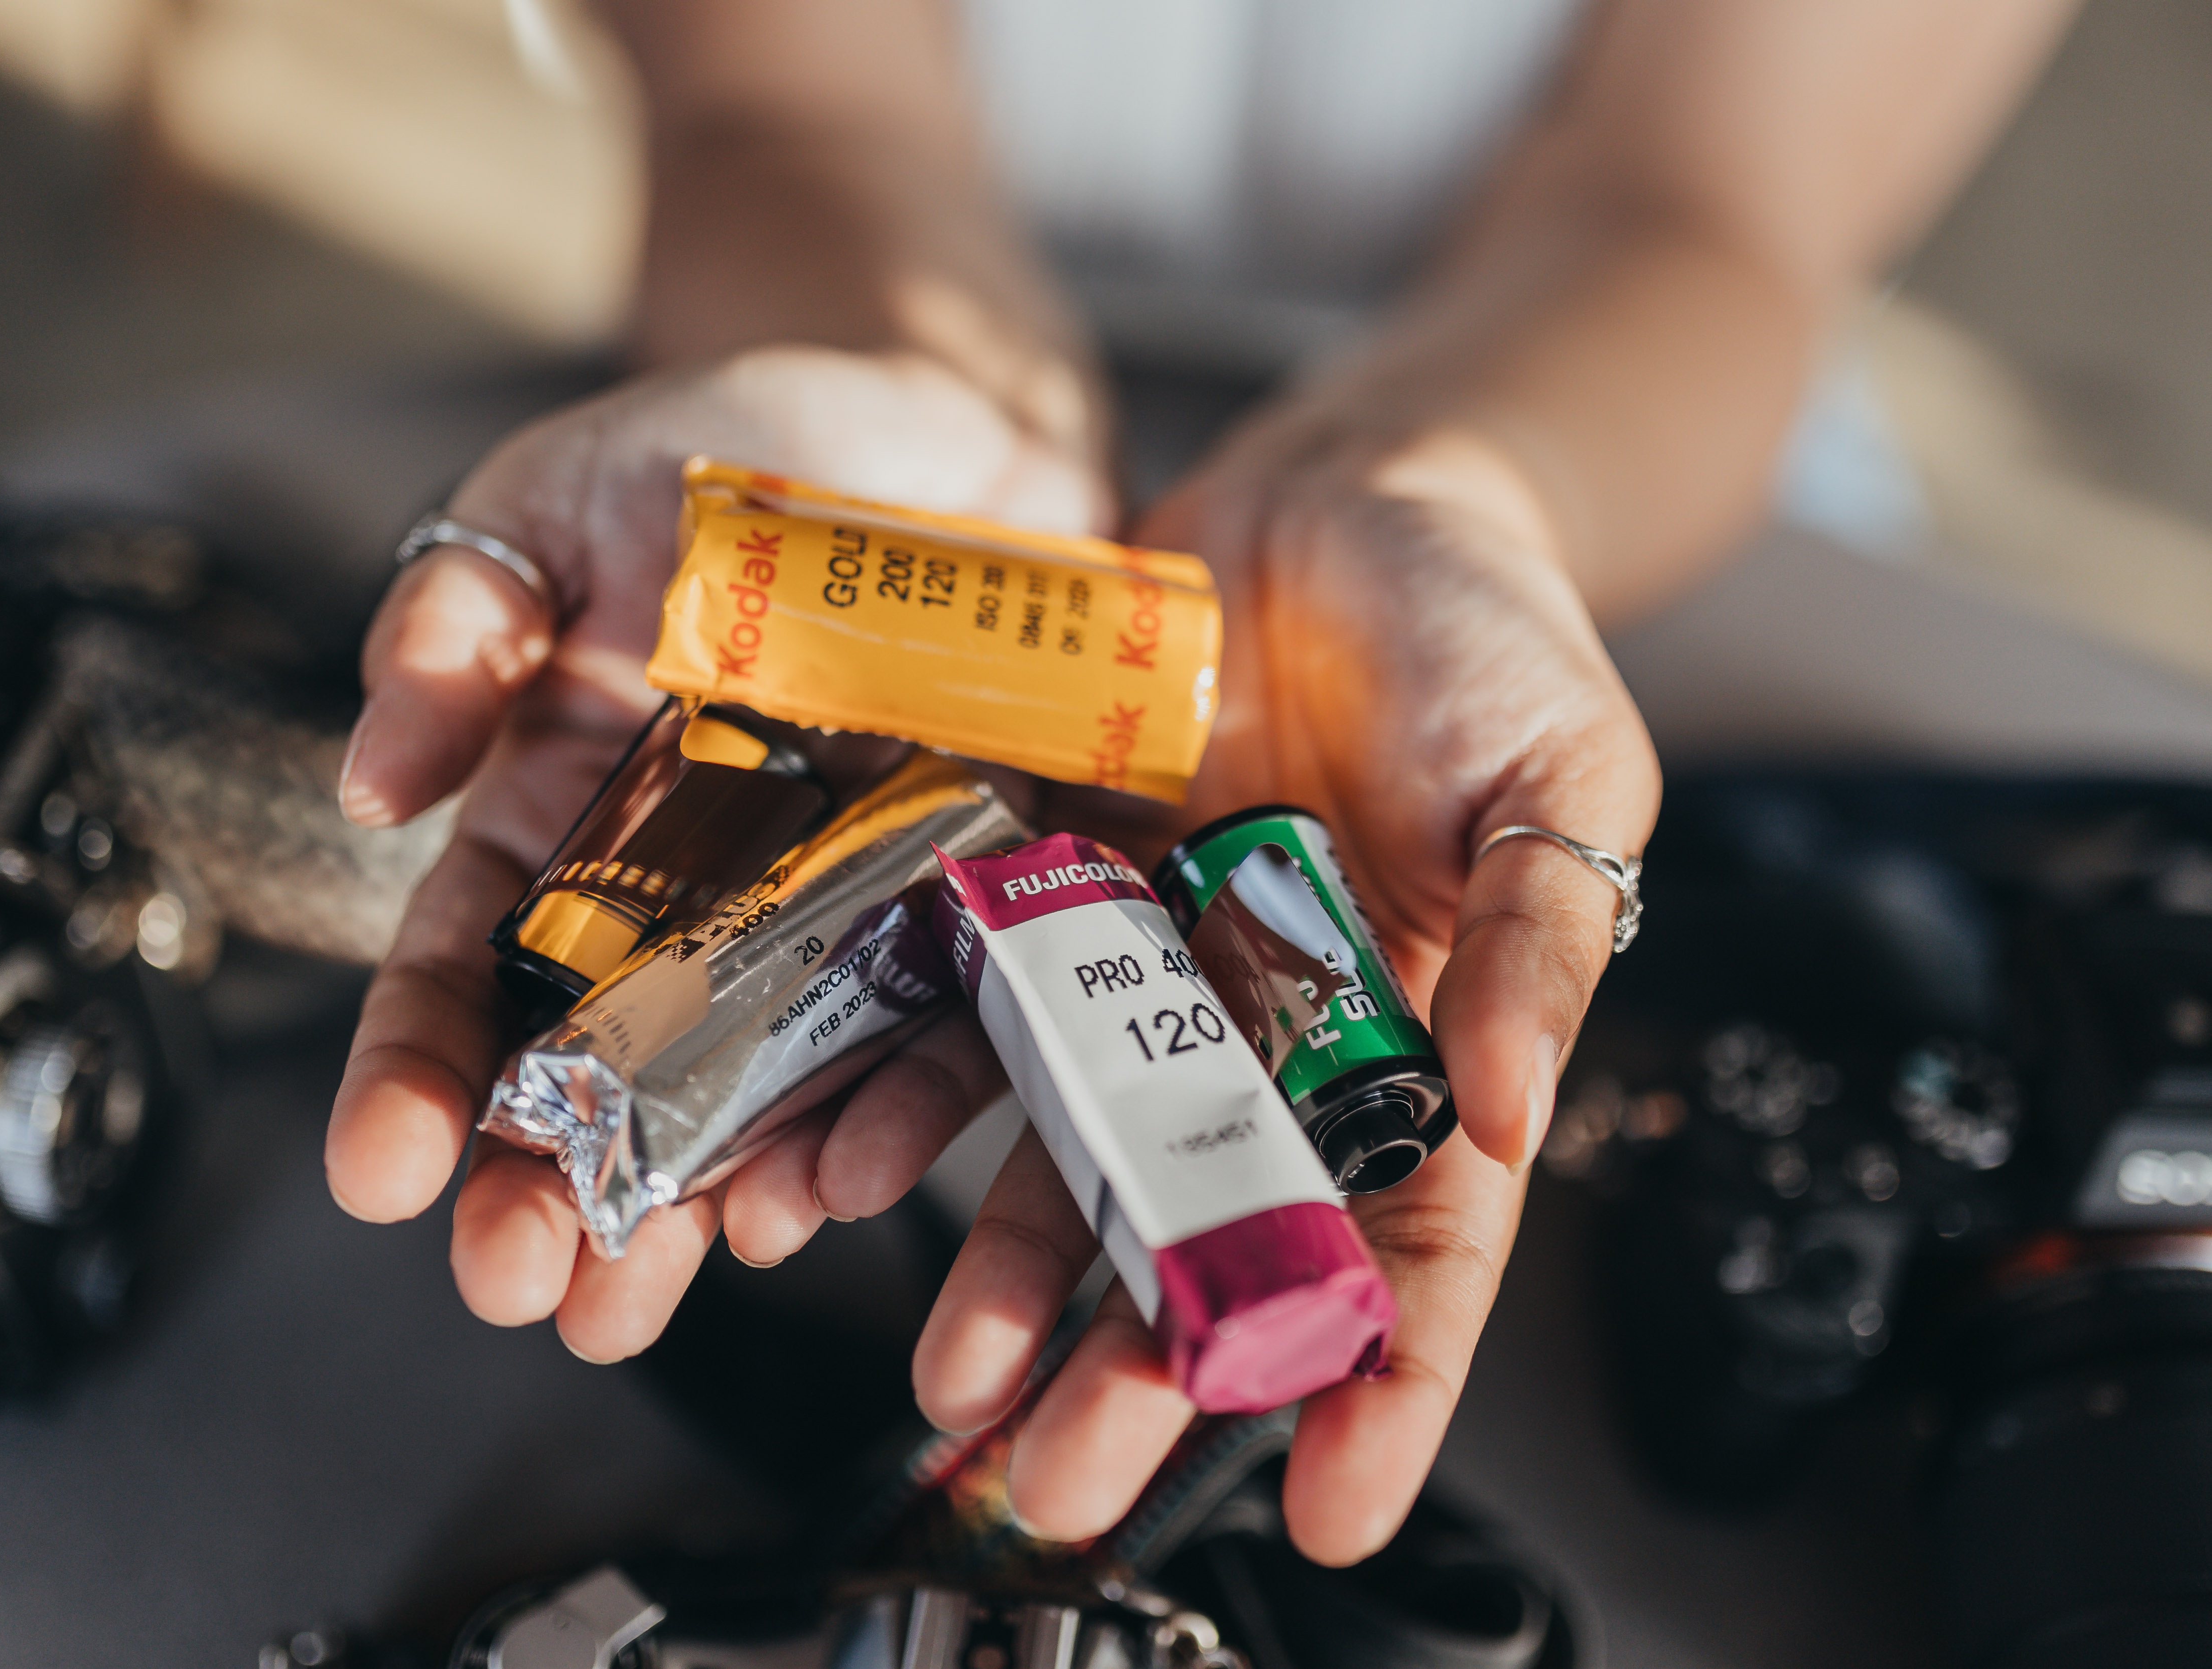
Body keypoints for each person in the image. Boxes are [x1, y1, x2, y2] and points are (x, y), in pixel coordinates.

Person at [321, 0, 2076, 1568]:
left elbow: (1704, 211)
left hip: (1612, 446)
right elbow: (780, 111)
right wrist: (899, 390)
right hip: (888, 378)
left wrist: (1454, 497)